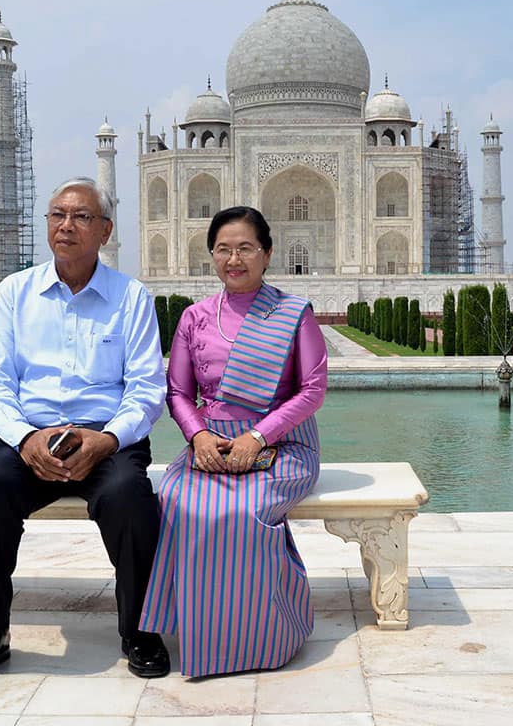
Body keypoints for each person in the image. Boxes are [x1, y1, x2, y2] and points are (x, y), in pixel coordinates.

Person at [0, 177, 171, 682]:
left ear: (105, 230)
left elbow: (145, 389)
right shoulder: (15, 293)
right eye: (57, 215)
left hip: (105, 436)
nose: (66, 226)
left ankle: (139, 628)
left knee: (129, 498)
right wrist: (26, 440)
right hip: (29, 433)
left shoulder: (130, 297)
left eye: (81, 217)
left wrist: (108, 440)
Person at [139, 206, 328, 677]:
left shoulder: (293, 314)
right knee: (178, 500)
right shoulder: (196, 317)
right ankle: (202, 630)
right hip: (212, 445)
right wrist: (198, 435)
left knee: (242, 510)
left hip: (282, 444)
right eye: (223, 249)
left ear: (266, 254)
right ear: (212, 256)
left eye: (245, 248)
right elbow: (179, 392)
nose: (234, 258)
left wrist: (259, 436)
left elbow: (313, 390)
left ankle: (266, 634)